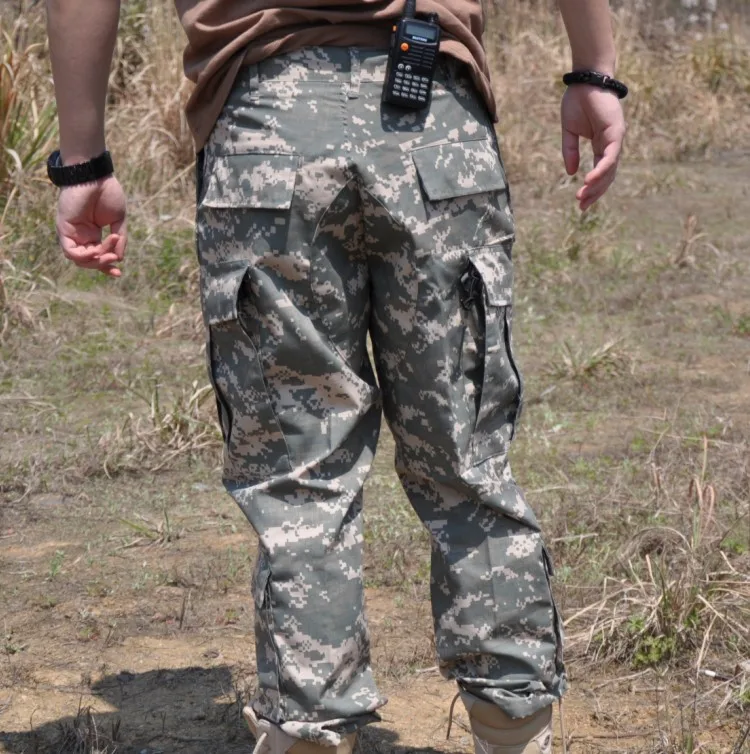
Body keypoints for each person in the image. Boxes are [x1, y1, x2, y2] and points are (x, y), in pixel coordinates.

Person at [45, 0, 626, 752]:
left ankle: (310, 725)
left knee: (301, 474)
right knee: (466, 458)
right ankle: (513, 726)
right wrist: (593, 72)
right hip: (436, 124)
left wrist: (84, 159)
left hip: (268, 133)